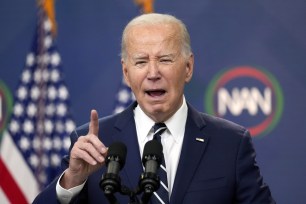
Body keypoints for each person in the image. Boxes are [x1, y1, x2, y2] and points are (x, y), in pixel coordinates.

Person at [33, 13, 275, 204]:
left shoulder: (230, 142)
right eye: (140, 62)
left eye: (165, 59)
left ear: (188, 67)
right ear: (126, 73)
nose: (153, 73)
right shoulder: (94, 142)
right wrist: (73, 180)